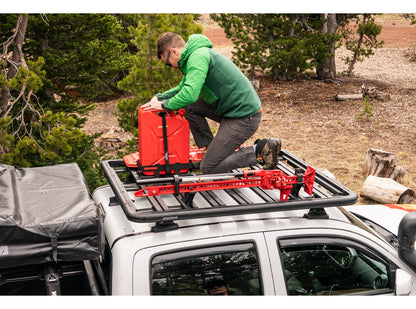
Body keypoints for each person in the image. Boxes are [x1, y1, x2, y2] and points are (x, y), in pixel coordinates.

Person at [143, 32, 281, 174]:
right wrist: (159, 97)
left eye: (167, 63)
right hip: (232, 109)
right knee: (189, 106)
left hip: (244, 117)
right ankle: (211, 150)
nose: (171, 67)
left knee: (208, 168)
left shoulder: (197, 57)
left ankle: (260, 149)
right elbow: (182, 88)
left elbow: (189, 95)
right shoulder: (194, 56)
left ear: (173, 51)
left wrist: (164, 105)